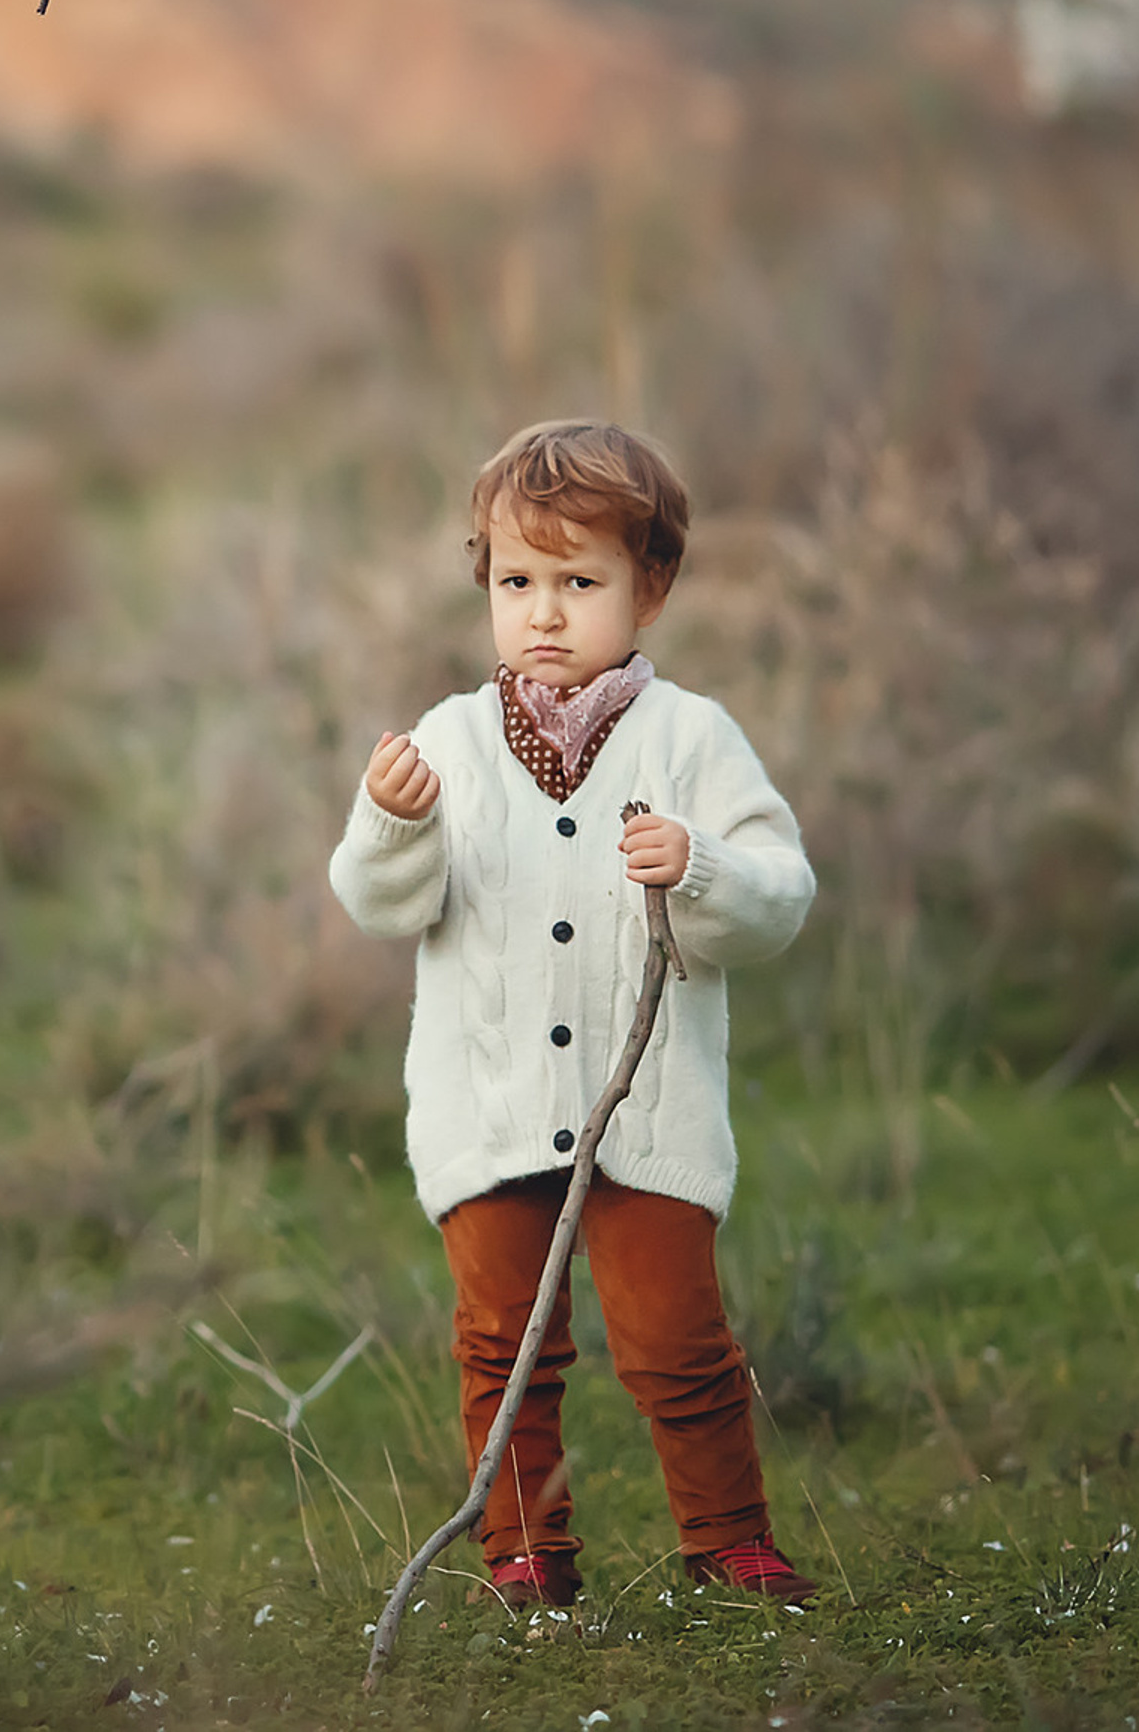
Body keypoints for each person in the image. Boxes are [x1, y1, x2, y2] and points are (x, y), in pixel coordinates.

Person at [328, 418, 819, 1613]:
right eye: (515, 581)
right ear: (484, 582)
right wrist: (391, 824)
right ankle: (523, 1552)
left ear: (649, 589)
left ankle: (728, 1540)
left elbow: (779, 898)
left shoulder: (691, 738)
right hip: (488, 1104)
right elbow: (380, 901)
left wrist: (698, 867)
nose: (542, 612)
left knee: (677, 1344)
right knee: (504, 1346)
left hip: (643, 1111)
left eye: (579, 581)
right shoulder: (448, 742)